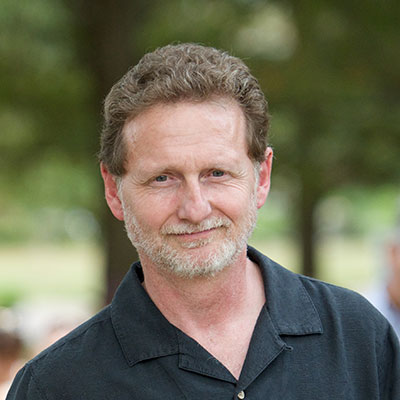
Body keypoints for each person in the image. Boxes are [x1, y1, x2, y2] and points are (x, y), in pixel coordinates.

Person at [7, 43, 400, 399]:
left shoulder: (359, 338)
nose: (195, 209)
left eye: (217, 173)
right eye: (163, 178)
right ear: (113, 190)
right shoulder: (55, 387)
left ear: (262, 177)